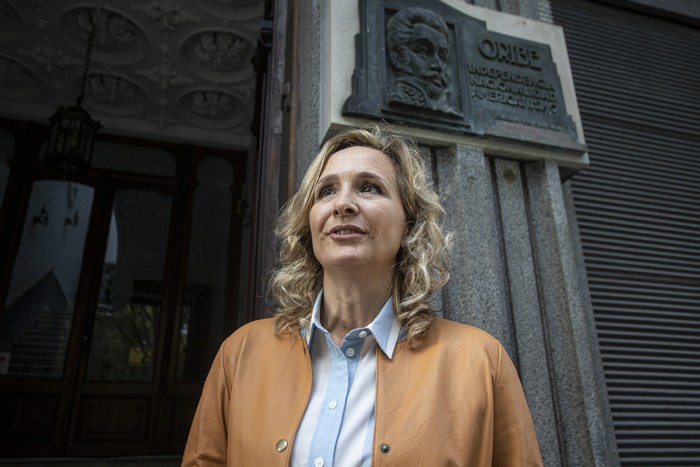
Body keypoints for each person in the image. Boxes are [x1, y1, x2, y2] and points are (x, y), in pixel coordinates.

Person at [182, 125, 543, 466]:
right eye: (326, 191)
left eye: (369, 188)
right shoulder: (240, 353)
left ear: (409, 226)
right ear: (309, 225)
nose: (343, 204)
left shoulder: (480, 361)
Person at [386, 7, 462, 117]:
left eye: (441, 56)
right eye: (423, 52)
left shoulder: (451, 113)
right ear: (398, 58)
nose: (438, 65)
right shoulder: (397, 100)